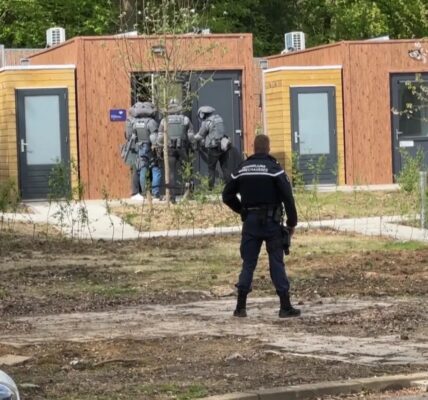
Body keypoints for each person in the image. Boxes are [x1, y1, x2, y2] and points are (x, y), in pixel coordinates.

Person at [222, 134, 300, 318]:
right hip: (272, 223)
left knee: (248, 264)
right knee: (276, 263)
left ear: (254, 147)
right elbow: (288, 198)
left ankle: (240, 307)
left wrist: (242, 210)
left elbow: (227, 196)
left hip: (250, 223)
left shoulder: (242, 169)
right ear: (268, 148)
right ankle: (285, 307)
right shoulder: (274, 169)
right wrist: (291, 223)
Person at [157, 100, 195, 201]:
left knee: (171, 173)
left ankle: (172, 197)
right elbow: (191, 136)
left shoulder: (164, 120)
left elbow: (160, 137)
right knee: (186, 171)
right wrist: (193, 146)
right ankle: (187, 194)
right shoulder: (185, 119)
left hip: (169, 149)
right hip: (183, 148)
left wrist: (160, 147)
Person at [194, 106, 231, 190]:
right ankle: (229, 187)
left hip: (213, 148)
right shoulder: (219, 118)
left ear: (202, 114)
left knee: (211, 169)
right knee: (224, 168)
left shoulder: (207, 122)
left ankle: (210, 189)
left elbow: (200, 135)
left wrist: (192, 138)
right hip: (223, 146)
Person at [131, 101, 162, 200]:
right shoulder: (151, 122)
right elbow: (153, 137)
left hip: (140, 148)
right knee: (156, 169)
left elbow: (133, 137)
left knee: (143, 169)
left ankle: (144, 193)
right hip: (150, 147)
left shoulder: (135, 123)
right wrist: (156, 147)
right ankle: (156, 193)